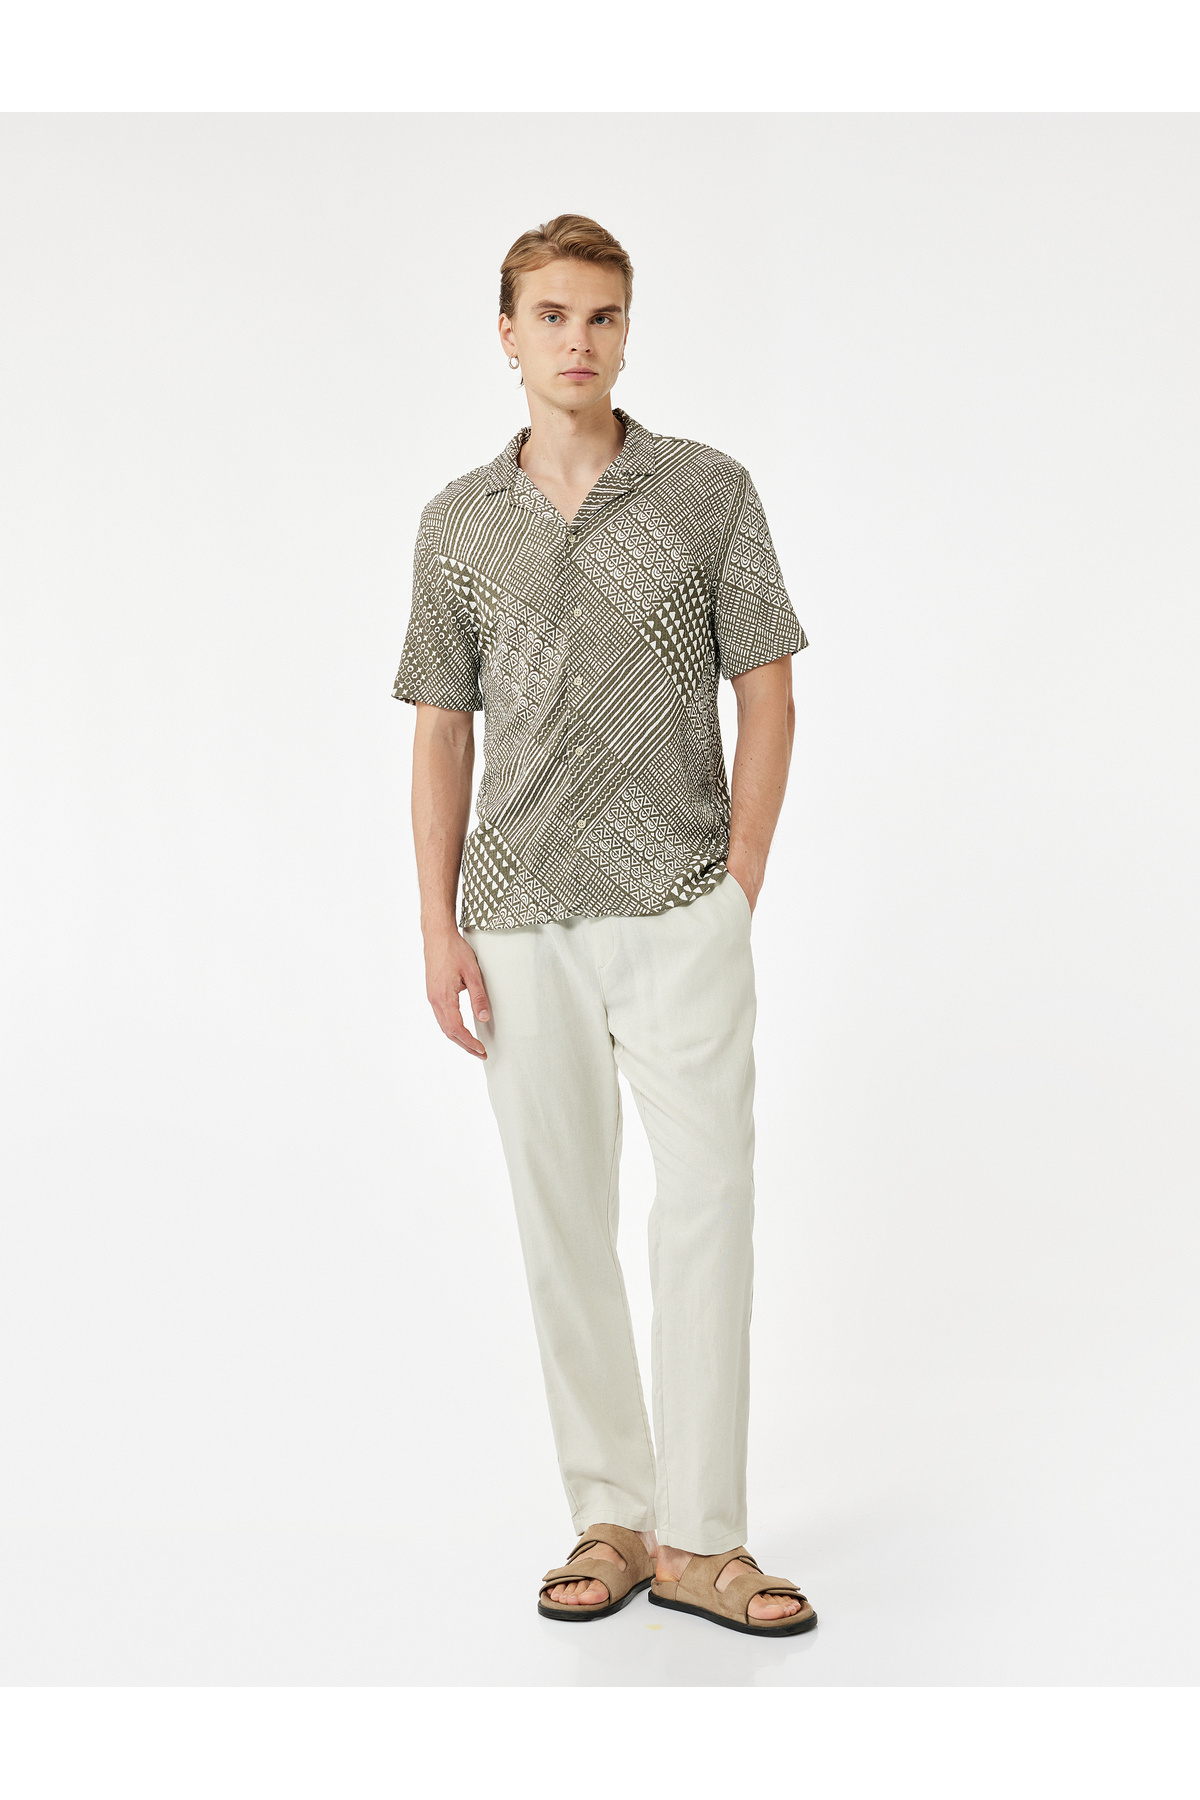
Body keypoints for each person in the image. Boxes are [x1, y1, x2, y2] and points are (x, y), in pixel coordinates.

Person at [393, 214, 816, 1638]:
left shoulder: (707, 492)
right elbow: (442, 731)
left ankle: (705, 1539)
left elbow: (769, 688)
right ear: (507, 333)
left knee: (709, 1205)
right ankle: (614, 1516)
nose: (580, 340)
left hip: (682, 900)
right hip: (518, 915)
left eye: (605, 316)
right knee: (561, 1219)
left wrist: (739, 877)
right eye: (554, 315)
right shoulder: (458, 523)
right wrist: (437, 924)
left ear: (629, 331)